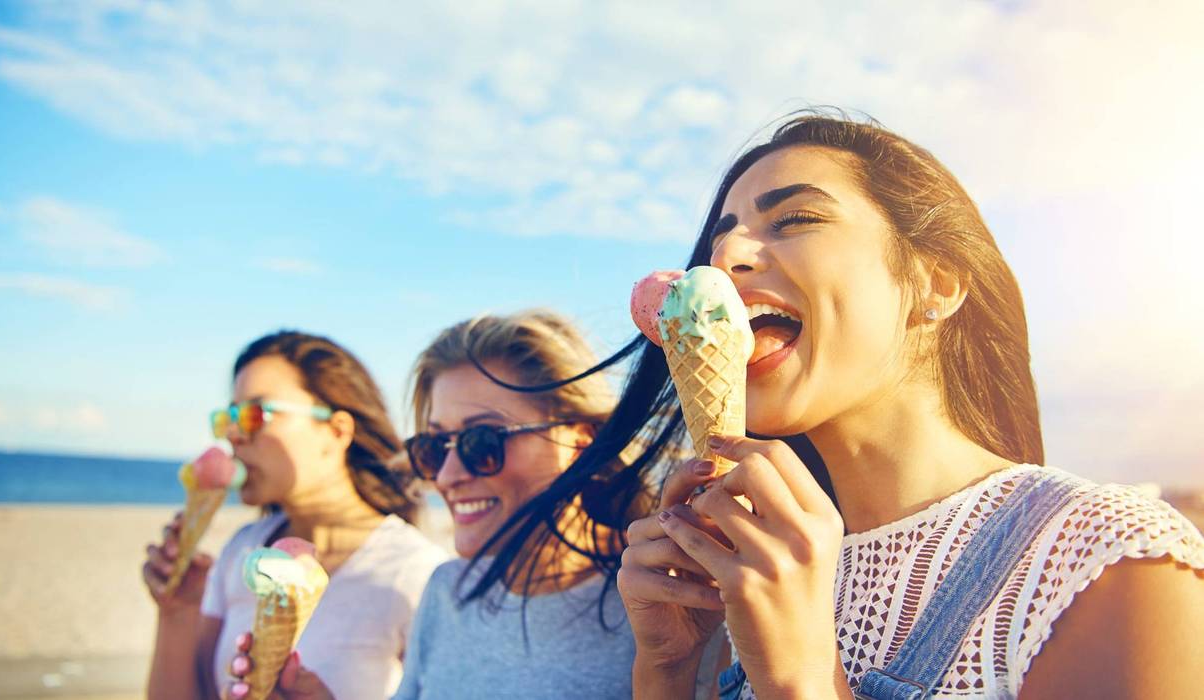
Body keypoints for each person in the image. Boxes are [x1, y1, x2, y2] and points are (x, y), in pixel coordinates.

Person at [608, 113, 1204, 698]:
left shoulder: (1104, 559)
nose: (724, 256)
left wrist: (802, 682)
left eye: (794, 219)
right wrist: (666, 669)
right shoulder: (759, 565)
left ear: (935, 284)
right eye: (720, 235)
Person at [230, 310, 642, 699]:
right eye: (434, 447)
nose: (446, 476)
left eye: (482, 441)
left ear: (580, 443)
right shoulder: (448, 591)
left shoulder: (656, 608)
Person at [141, 331, 448, 700]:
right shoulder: (243, 548)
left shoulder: (414, 572)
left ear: (336, 431)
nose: (235, 435)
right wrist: (177, 611)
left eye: (257, 414)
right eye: (230, 417)